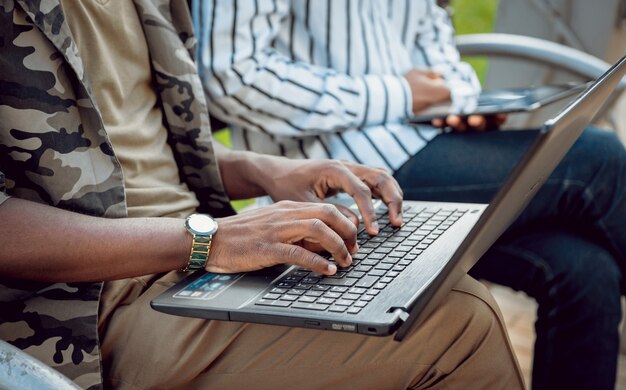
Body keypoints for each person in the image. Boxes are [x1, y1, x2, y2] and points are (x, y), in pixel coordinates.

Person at [0, 1, 525, 389]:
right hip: (84, 306)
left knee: (431, 282)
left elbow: (140, 151)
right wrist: (206, 239)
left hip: (200, 256)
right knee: (458, 323)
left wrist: (267, 171)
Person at [196, 0, 626, 389]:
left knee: (585, 270)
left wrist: (459, 101)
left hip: (427, 142)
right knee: (596, 160)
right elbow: (231, 73)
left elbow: (432, 28)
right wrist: (399, 95)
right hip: (337, 174)